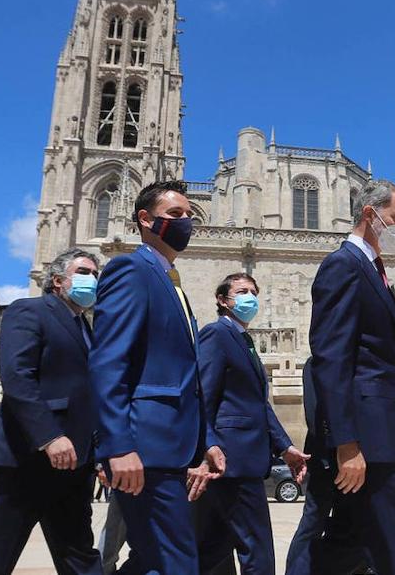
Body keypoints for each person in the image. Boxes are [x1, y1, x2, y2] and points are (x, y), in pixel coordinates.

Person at [289, 179, 395, 575]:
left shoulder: (370, 267)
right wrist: (347, 445)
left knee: (352, 542)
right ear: (370, 215)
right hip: (369, 438)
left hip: (379, 432)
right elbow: (331, 359)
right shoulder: (344, 266)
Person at [89, 180, 225, 575]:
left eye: (189, 215)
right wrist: (116, 446)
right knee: (175, 562)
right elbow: (108, 361)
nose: (187, 222)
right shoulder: (130, 269)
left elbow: (186, 377)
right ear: (145, 220)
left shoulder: (170, 280)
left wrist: (206, 440)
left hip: (171, 447)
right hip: (145, 447)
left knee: (155, 559)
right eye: (176, 215)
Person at [0, 248, 105, 575]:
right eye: (85, 271)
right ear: (58, 281)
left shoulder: (87, 328)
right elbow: (17, 376)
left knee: (80, 556)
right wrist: (49, 435)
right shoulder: (28, 310)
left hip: (74, 464)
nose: (93, 279)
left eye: (96, 274)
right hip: (27, 459)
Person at [193, 272, 310, 574]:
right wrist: (208, 444)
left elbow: (258, 405)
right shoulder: (217, 333)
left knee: (213, 548)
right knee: (257, 552)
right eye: (242, 291)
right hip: (232, 458)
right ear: (222, 300)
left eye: (254, 292)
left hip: (241, 459)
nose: (250, 298)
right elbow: (203, 394)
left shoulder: (244, 341)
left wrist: (286, 448)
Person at [284, 358, 375, 575]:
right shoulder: (314, 364)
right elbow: (314, 415)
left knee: (353, 523)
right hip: (325, 462)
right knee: (313, 523)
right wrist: (332, 455)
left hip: (354, 464)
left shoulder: (352, 365)